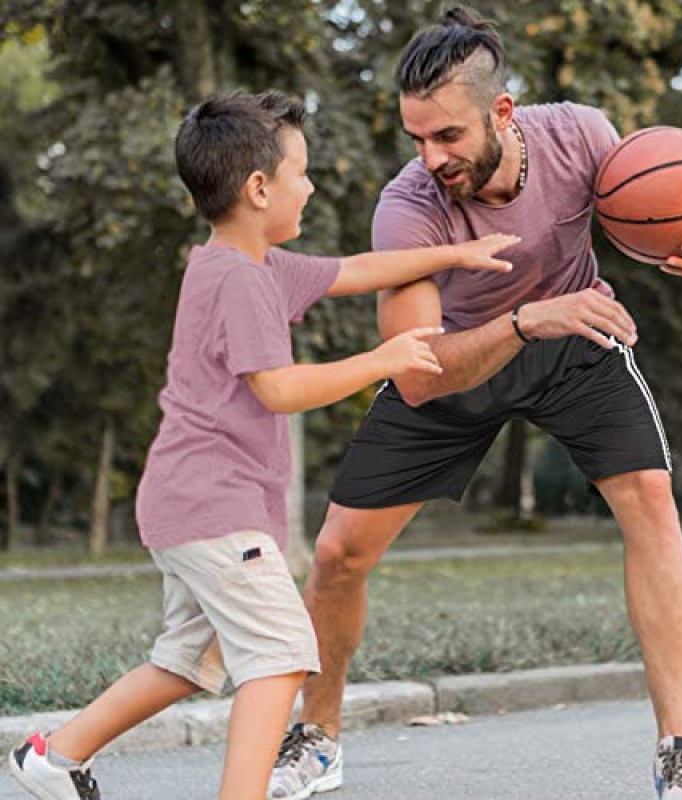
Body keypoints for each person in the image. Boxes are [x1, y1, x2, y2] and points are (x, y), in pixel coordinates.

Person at [268, 8, 682, 800]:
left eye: (448, 136)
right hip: (459, 357)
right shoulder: (409, 209)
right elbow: (417, 374)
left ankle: (680, 751)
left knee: (651, 502)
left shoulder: (584, 136)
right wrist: (525, 321)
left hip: (575, 342)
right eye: (417, 138)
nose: (432, 157)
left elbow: (669, 202)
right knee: (335, 555)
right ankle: (317, 738)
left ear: (502, 112)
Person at [7, 90, 518, 800]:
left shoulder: (244, 266)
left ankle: (53, 757)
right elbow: (276, 389)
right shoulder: (243, 282)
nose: (309, 186)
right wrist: (383, 359)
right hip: (215, 507)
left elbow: (353, 270)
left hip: (186, 503)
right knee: (280, 657)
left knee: (186, 659)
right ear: (257, 189)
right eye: (301, 173)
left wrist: (460, 251)